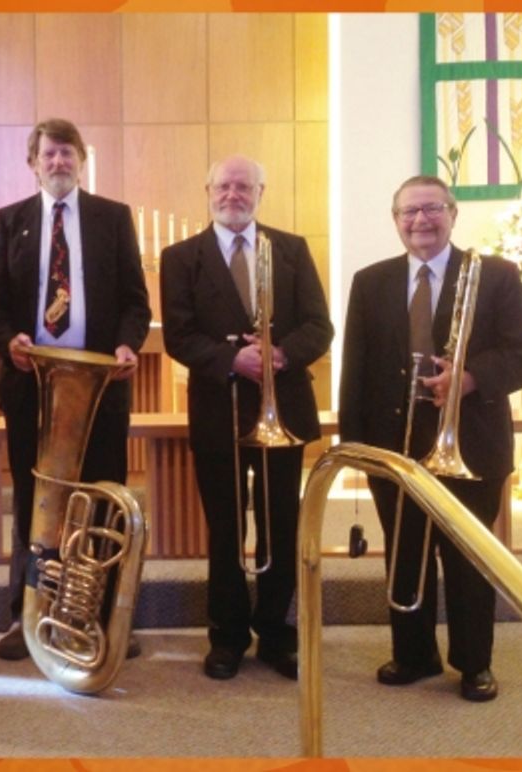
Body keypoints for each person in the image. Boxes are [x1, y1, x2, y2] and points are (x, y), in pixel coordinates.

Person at [339, 175, 522, 702]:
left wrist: (468, 379)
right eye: (408, 212)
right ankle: (413, 653)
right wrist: (354, 443)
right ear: (395, 220)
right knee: (406, 553)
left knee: (469, 558)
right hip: (394, 444)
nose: (420, 220)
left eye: (431, 209)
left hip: (471, 443)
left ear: (452, 214)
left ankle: (474, 663)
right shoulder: (370, 281)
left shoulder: (496, 275)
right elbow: (355, 365)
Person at [0, 118, 151, 662]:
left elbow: (136, 301)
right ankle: (27, 615)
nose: (59, 162)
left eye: (67, 153)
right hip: (32, 387)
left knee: (101, 498)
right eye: (49, 154)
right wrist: (8, 341)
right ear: (33, 164)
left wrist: (127, 345)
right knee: (35, 502)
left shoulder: (112, 218)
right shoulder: (10, 221)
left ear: (82, 159)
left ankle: (97, 617)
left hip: (100, 387)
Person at [159, 155, 333, 681]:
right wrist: (231, 359)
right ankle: (227, 636)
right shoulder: (180, 257)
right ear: (208, 191)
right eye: (223, 186)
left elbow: (319, 325)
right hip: (219, 410)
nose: (232, 194)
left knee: (281, 525)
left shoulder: (291, 249)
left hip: (284, 409)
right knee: (225, 529)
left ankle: (278, 634)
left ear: (261, 192)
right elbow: (179, 336)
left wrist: (280, 354)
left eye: (243, 186)